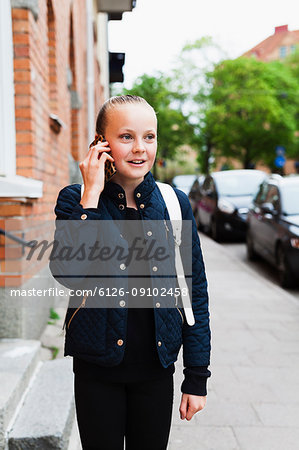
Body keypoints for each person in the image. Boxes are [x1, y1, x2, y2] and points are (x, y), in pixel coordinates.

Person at [50, 95, 211, 450]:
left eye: (149, 137)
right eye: (126, 137)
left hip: (156, 370)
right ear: (101, 142)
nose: (140, 149)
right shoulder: (74, 200)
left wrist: (196, 376)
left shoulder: (173, 203)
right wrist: (91, 197)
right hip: (97, 371)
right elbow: (69, 272)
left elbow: (193, 289)